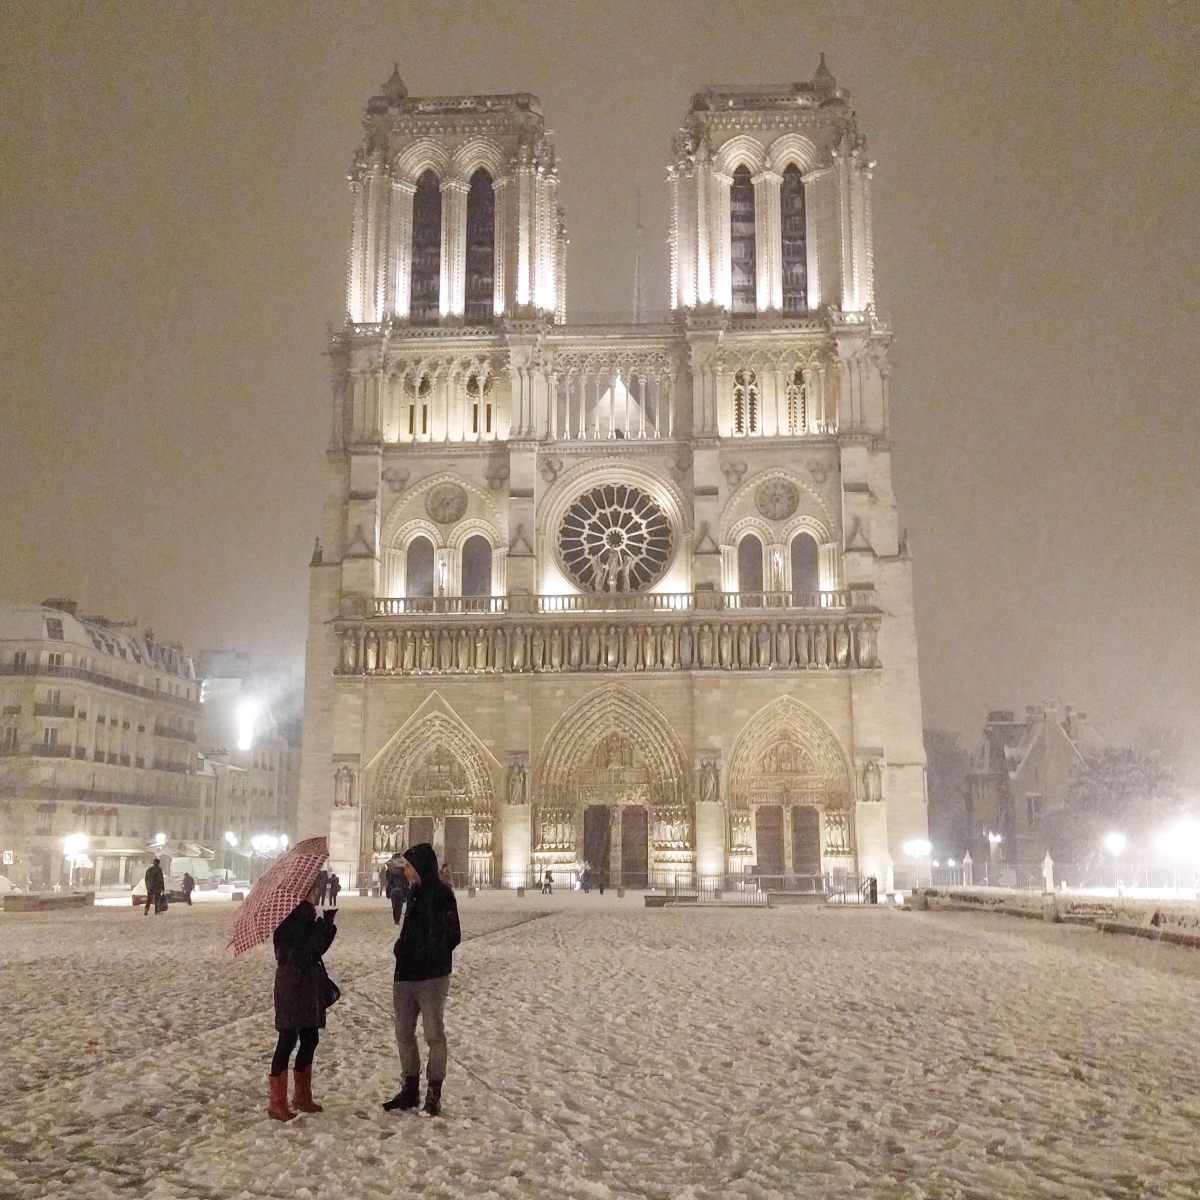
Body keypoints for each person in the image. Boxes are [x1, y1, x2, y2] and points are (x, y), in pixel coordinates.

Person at [382, 843, 461, 1118]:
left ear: (421, 867)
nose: (405, 870)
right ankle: (410, 1089)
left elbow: (453, 936)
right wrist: (402, 948)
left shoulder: (443, 895)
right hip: (405, 976)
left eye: (409, 866)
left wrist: (426, 953)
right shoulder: (412, 893)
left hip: (431, 977)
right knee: (403, 1033)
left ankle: (434, 1093)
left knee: (433, 1034)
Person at [267, 882, 338, 1121]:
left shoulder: (304, 916)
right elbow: (311, 948)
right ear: (301, 894)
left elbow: (315, 949)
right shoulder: (291, 919)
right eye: (312, 891)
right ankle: (277, 1103)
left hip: (306, 984)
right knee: (287, 1039)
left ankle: (302, 1096)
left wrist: (324, 925)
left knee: (310, 1037)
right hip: (293, 984)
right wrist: (324, 927)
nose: (317, 894)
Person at [385, 856, 409, 925]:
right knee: (400, 906)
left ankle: (395, 919)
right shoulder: (403, 873)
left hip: (393, 891)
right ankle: (397, 919)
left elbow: (389, 882)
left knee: (394, 906)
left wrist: (388, 892)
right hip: (401, 891)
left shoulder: (392, 872)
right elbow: (406, 883)